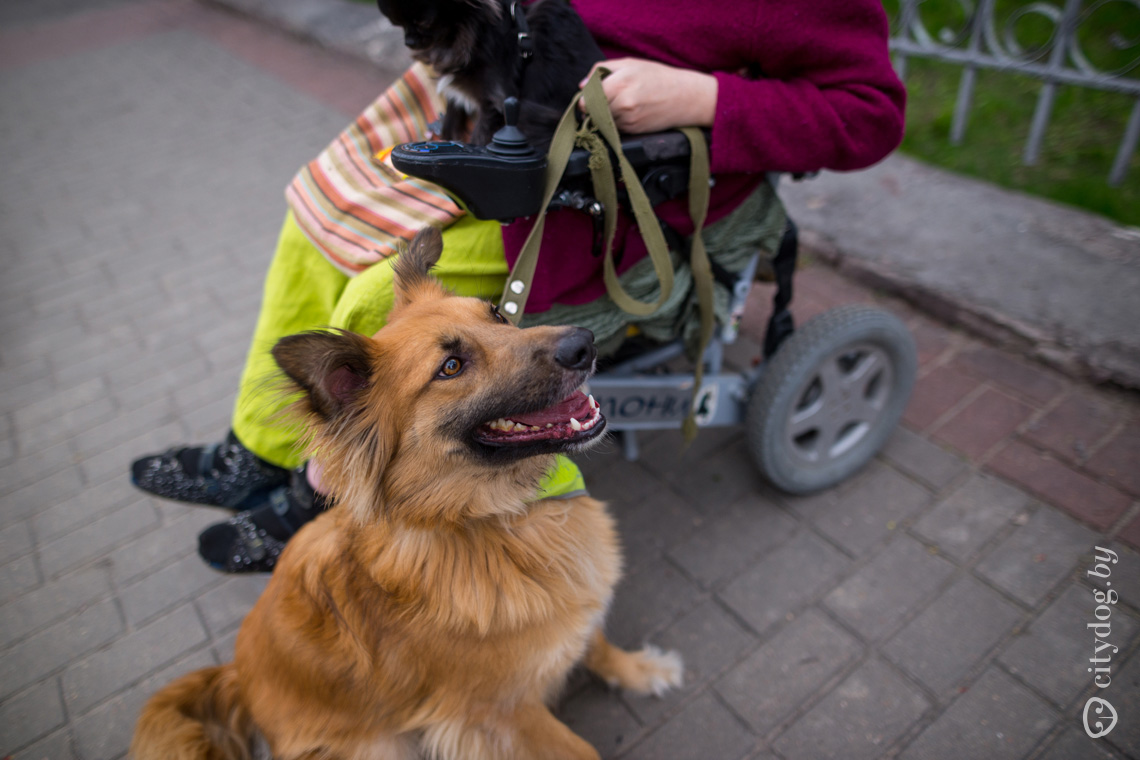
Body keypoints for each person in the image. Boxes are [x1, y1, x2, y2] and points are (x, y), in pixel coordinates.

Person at [131, 0, 907, 572]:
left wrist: (700, 99)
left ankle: (326, 487)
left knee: (379, 304)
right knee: (314, 210)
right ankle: (257, 449)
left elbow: (869, 113)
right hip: (512, 154)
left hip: (616, 217)